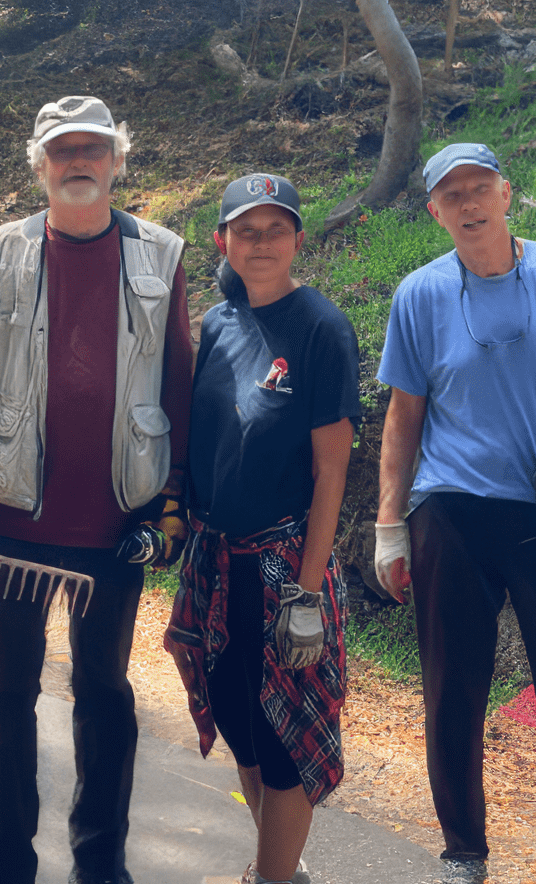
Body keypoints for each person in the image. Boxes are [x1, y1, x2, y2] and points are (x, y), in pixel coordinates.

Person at [0, 95, 193, 884]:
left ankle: (99, 864)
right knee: (5, 697)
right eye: (61, 151)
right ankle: (7, 863)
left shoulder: (162, 255)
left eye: (92, 149)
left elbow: (179, 382)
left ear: (118, 160)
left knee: (105, 697)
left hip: (116, 519)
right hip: (10, 516)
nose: (77, 162)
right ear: (40, 164)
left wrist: (175, 497)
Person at [374, 143, 536, 884]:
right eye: (452, 196)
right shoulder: (418, 295)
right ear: (435, 212)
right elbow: (402, 418)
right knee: (453, 691)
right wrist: (391, 527)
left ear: (507, 193)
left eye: (480, 187)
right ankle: (463, 852)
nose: (469, 203)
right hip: (452, 515)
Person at [166, 173, 358, 884]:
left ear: (298, 239)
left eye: (277, 229)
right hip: (215, 560)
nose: (261, 242)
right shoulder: (216, 325)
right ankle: (286, 867)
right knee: (240, 722)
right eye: (245, 230)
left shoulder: (320, 328)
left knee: (283, 738)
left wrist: (307, 594)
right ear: (223, 241)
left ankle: (270, 878)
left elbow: (331, 470)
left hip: (284, 564)